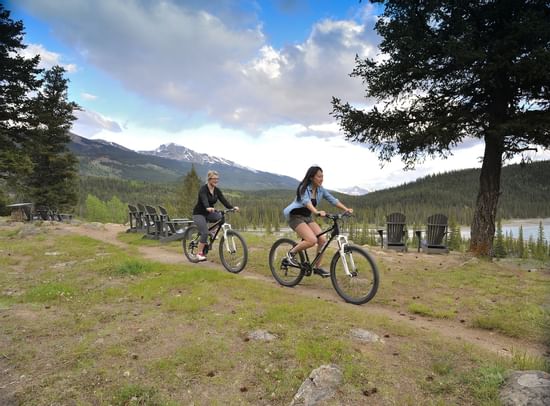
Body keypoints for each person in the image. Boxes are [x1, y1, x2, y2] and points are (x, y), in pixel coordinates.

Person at [283, 165, 353, 277]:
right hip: (295, 216)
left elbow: (333, 200)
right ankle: (291, 254)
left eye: (322, 176)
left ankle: (317, 267)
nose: (322, 178)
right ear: (312, 177)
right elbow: (307, 202)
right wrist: (316, 212)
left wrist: (346, 209)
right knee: (311, 240)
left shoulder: (321, 190)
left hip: (307, 217)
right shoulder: (304, 188)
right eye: (319, 176)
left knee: (322, 239)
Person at [192, 170, 239, 261]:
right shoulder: (203, 189)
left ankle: (212, 232)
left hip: (209, 213)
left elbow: (223, 200)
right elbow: (204, 199)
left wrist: (232, 208)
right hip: (199, 214)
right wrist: (207, 207)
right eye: (214, 179)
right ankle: (199, 253)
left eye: (217, 179)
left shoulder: (216, 190)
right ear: (209, 179)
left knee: (220, 217)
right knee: (204, 232)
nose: (216, 181)